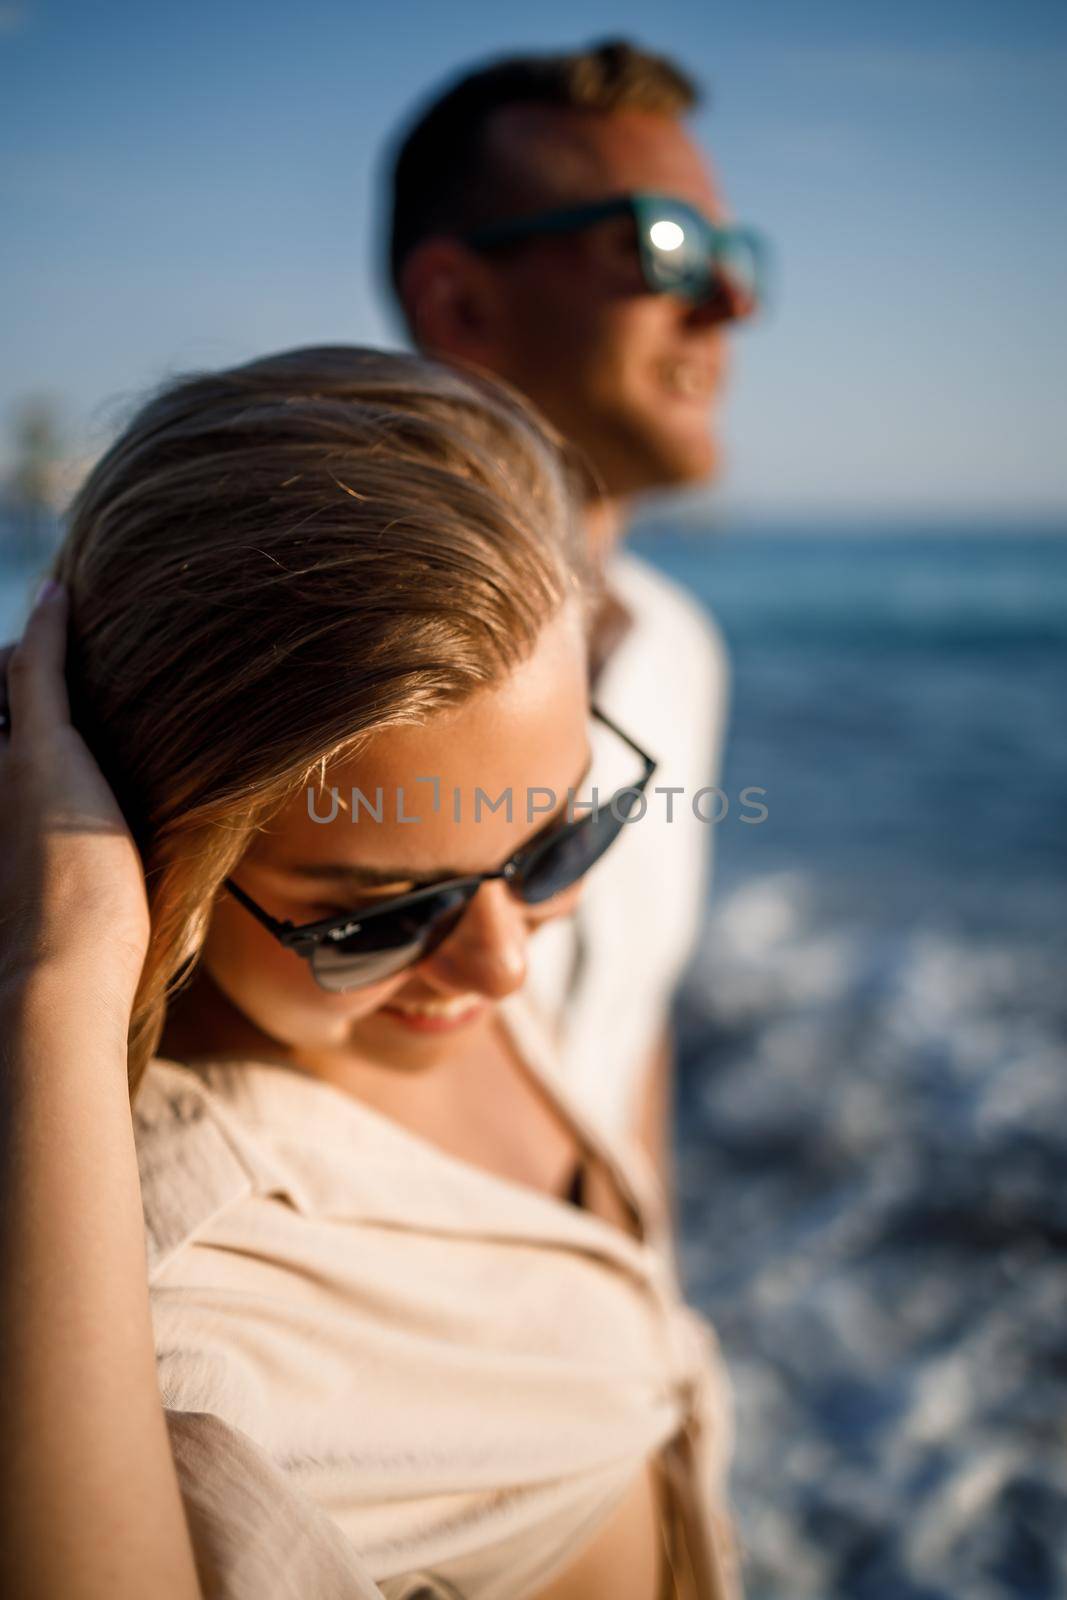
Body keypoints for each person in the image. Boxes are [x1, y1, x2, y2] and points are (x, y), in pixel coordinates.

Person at [0, 347, 739, 1599]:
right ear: (144, 850)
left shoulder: (437, 969)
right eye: (377, 915)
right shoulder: (163, 1331)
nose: (503, 961)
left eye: (558, 834)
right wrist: (58, 988)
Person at [384, 38, 764, 1190]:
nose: (728, 302)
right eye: (661, 244)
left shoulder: (676, 649)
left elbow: (625, 1027)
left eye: (732, 254)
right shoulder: (324, 650)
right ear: (457, 299)